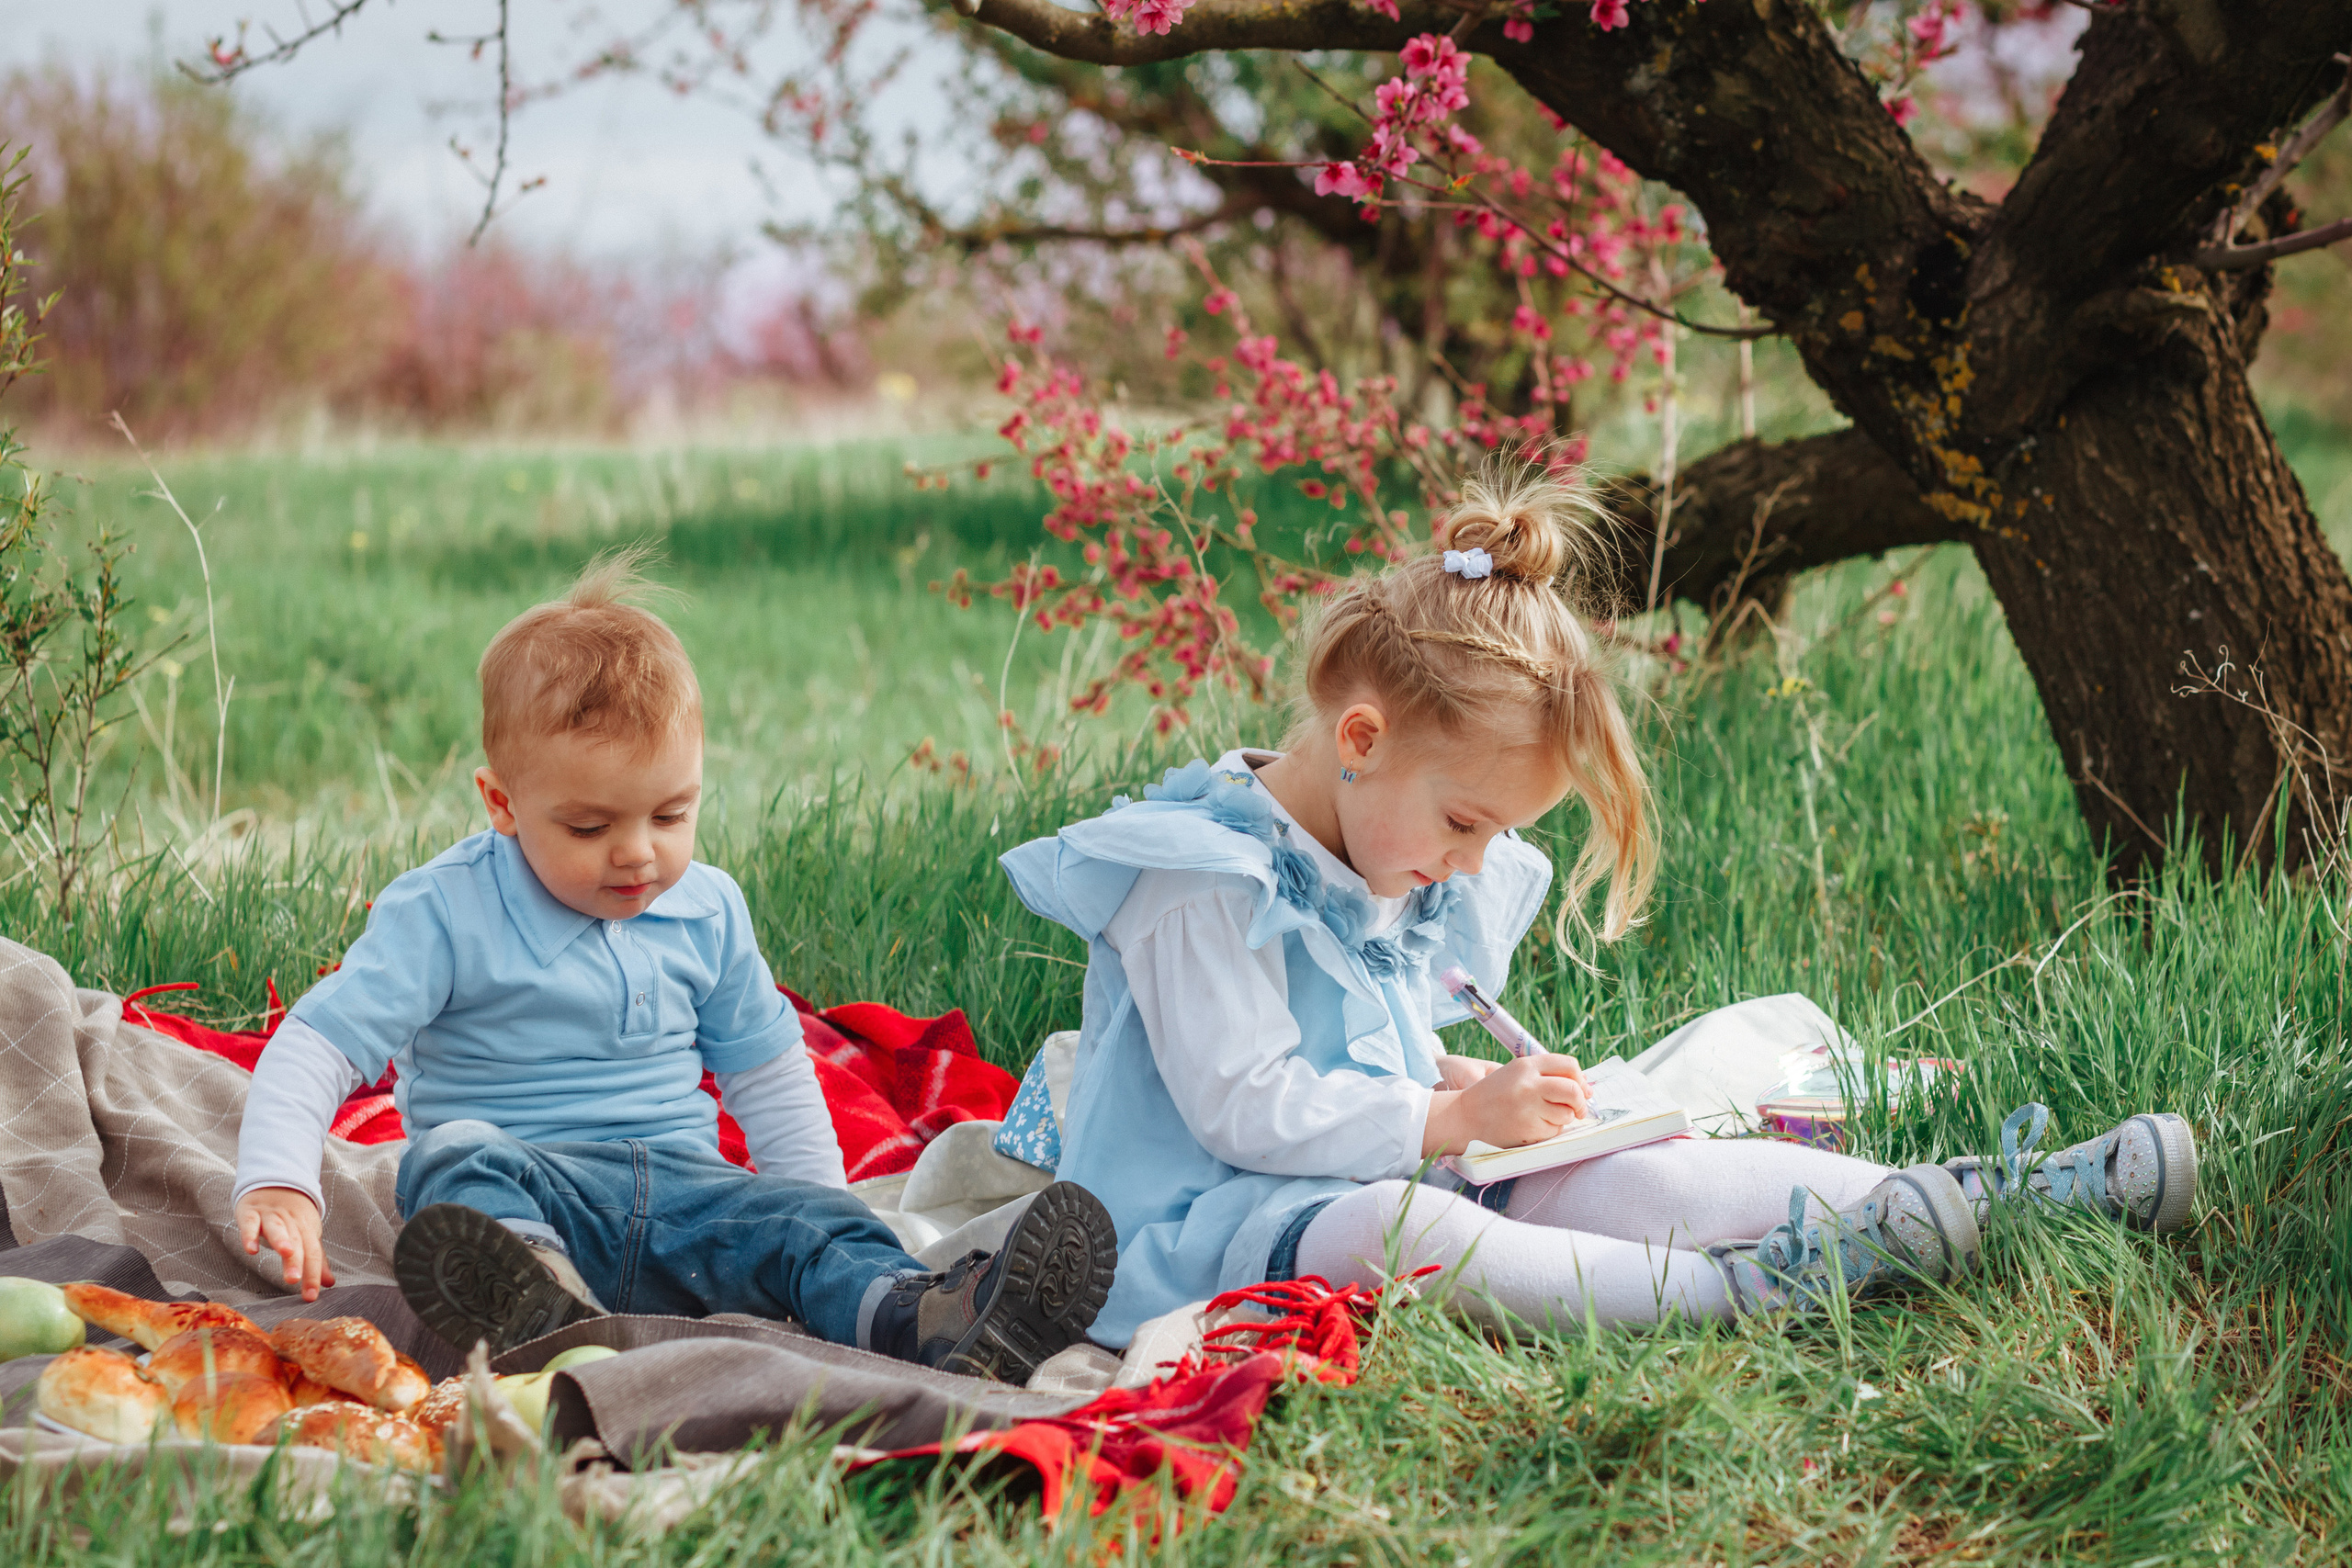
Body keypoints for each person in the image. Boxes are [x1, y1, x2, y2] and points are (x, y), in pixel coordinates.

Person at [998, 466, 2198, 1347]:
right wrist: (1446, 1115)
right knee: (1405, 1232)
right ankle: (1747, 1289)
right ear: (1361, 739)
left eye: (1495, 835)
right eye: (1466, 823)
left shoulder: (1381, 842)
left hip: (1350, 1163)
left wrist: (1472, 1086)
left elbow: (1358, 1050)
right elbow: (1247, 1105)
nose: (1472, 864)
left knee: (1636, 1170)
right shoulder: (1201, 878)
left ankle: (1976, 1198)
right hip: (1197, 1223)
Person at [232, 552, 1117, 1382]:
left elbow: (770, 1076)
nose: (638, 853)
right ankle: (535, 1300)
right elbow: (318, 1044)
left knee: (807, 1220)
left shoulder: (707, 908)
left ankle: (929, 1318)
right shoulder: (444, 910)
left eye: (670, 815)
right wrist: (279, 1180)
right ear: (502, 802)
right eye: (589, 826)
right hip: (538, 1189)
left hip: (691, 1206)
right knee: (446, 1158)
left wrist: (824, 1207)